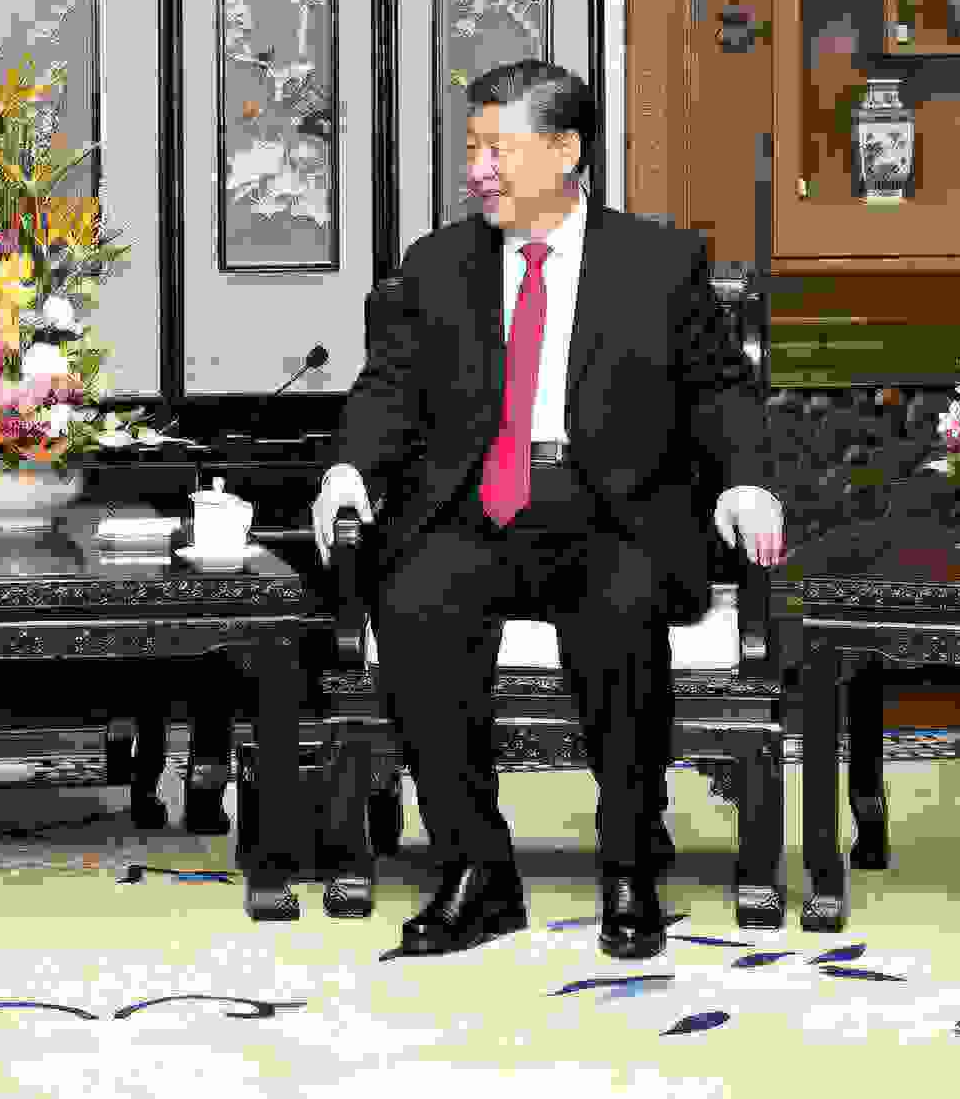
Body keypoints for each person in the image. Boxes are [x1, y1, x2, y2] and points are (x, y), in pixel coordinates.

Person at [309, 59, 786, 962]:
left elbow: (720, 390)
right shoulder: (438, 263)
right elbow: (388, 388)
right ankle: (475, 867)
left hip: (612, 508)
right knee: (412, 604)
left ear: (565, 151)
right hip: (472, 506)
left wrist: (744, 480)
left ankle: (630, 860)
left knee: (622, 614)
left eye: (497, 149)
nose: (476, 170)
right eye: (472, 149)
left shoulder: (658, 261)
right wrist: (349, 469)